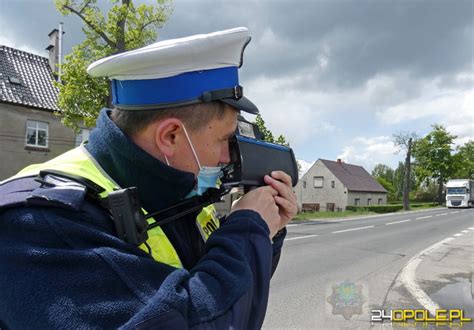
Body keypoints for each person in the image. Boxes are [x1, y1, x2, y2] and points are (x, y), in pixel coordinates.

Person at [0, 27, 297, 329]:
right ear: (170, 136)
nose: (227, 157)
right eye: (224, 140)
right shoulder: (38, 224)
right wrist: (247, 229)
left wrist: (265, 233)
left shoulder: (175, 194)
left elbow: (225, 294)